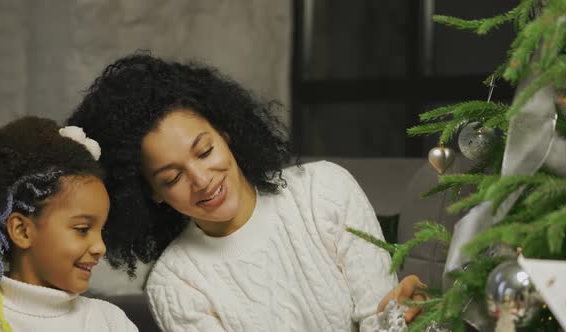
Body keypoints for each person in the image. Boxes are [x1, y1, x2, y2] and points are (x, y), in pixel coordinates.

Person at [67, 52, 426, 331]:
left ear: (226, 133)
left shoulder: (325, 190)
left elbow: (381, 322)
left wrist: (403, 314)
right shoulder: (176, 284)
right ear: (152, 194)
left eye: (205, 151)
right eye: (173, 178)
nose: (202, 179)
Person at [0, 117, 138, 332]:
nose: (100, 247)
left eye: (101, 230)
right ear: (22, 231)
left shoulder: (111, 322)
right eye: (83, 229)